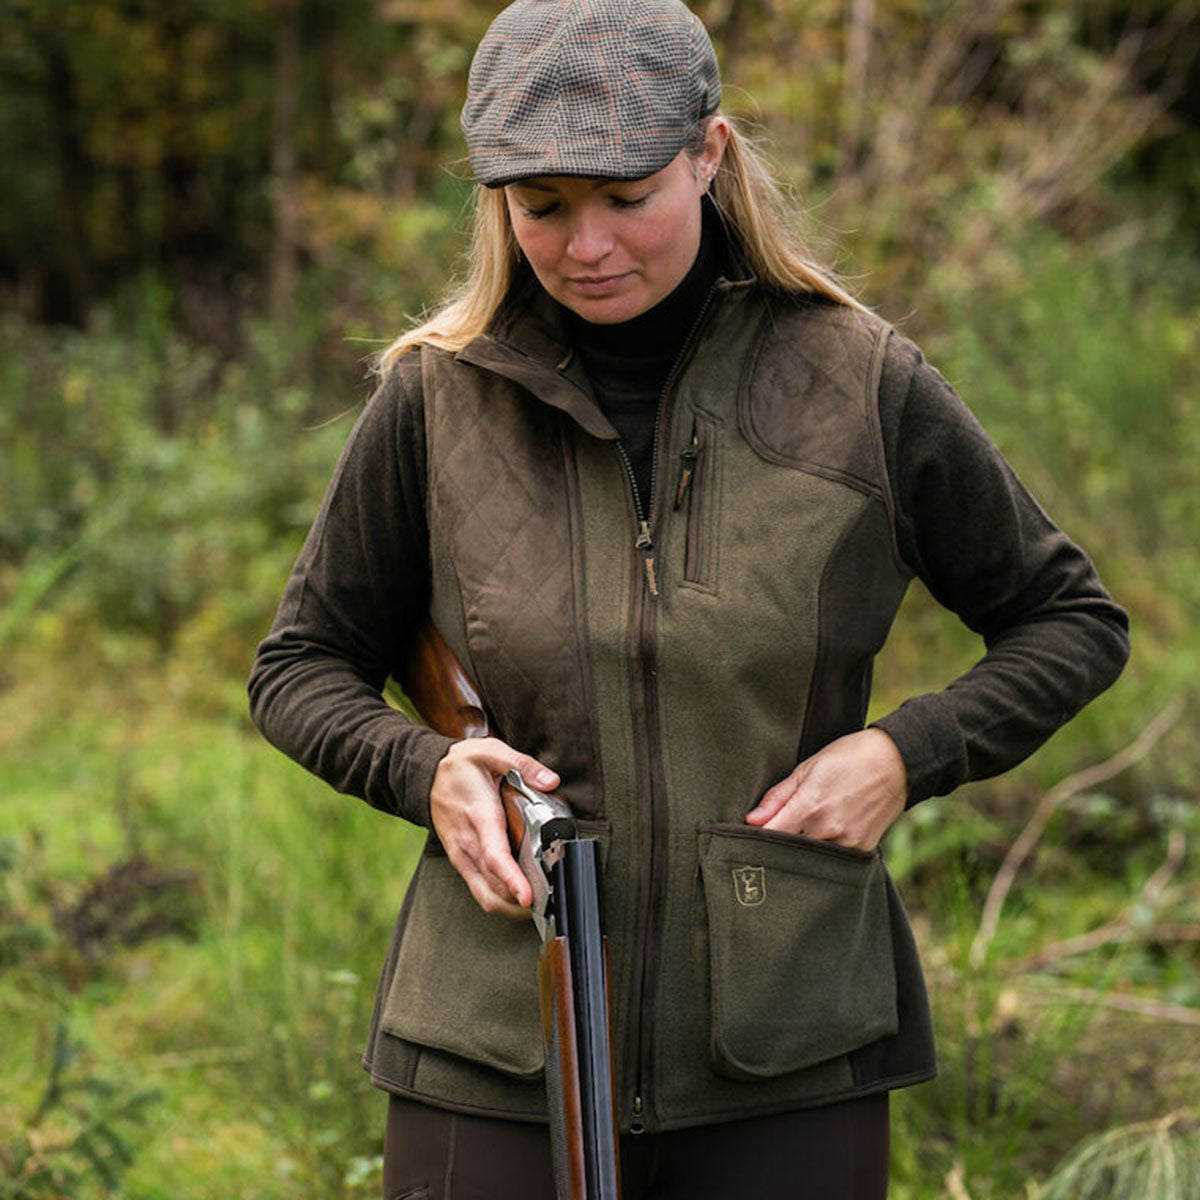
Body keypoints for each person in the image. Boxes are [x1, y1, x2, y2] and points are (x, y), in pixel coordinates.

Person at [248, 1, 1130, 1196]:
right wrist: (428, 770)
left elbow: (1070, 621)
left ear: (708, 155)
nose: (587, 246)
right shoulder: (433, 401)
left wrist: (905, 755)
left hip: (787, 1041)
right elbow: (299, 665)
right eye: (542, 208)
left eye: (627, 198)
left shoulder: (860, 381)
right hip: (497, 1039)